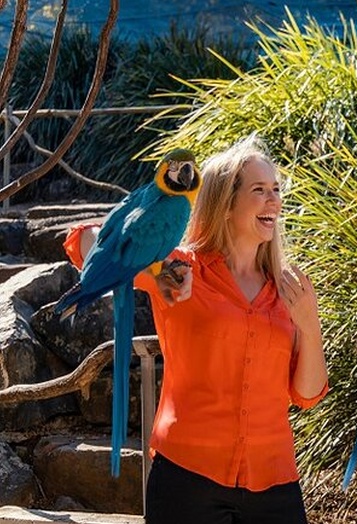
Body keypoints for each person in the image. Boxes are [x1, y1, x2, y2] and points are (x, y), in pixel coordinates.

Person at [65, 135, 328, 524]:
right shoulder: (182, 268)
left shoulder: (289, 290)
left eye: (276, 189)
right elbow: (82, 243)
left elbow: (306, 394)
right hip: (188, 481)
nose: (274, 200)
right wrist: (156, 269)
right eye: (259, 190)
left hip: (274, 483)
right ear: (226, 204)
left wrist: (309, 325)